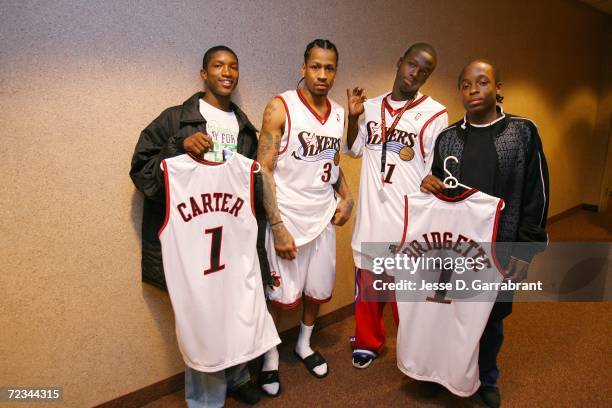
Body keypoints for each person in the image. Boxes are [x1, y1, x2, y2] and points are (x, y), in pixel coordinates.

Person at [130, 45, 269, 407]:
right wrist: (178, 146)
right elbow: (143, 174)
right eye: (218, 65)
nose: (227, 72)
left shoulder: (244, 127)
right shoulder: (175, 119)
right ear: (203, 74)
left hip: (231, 241)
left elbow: (251, 189)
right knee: (203, 320)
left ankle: (237, 378)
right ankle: (206, 400)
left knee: (234, 310)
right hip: (192, 242)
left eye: (234, 66)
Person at [420, 59, 549, 407]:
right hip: (453, 251)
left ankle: (486, 376)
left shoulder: (522, 132)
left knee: (490, 319)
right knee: (447, 312)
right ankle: (442, 371)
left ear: (497, 88)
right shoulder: (447, 138)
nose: (473, 90)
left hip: (499, 248)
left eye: (481, 82)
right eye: (465, 84)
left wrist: (525, 251)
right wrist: (427, 183)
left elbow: (536, 194)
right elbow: (437, 188)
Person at [256, 39, 354, 396]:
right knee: (278, 295)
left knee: (316, 291)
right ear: (303, 68)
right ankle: (269, 359)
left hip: (324, 219)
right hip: (289, 220)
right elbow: (263, 170)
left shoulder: (340, 112)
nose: (322, 74)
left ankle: (304, 345)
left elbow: (331, 164)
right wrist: (277, 226)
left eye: (329, 68)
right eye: (316, 66)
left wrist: (348, 197)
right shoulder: (280, 107)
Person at [344, 43, 448, 369]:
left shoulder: (435, 113)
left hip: (408, 218)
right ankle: (367, 341)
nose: (415, 74)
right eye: (412, 65)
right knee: (370, 286)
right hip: (374, 214)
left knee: (408, 293)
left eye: (424, 71)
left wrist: (435, 184)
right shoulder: (371, 107)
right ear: (399, 61)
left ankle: (415, 348)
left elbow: (437, 167)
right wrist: (351, 118)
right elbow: (353, 149)